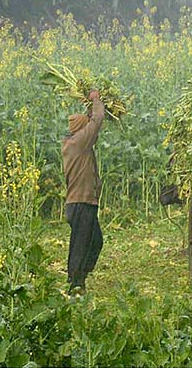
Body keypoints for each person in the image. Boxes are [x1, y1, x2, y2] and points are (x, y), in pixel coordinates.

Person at [62, 89, 104, 294]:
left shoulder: (76, 144)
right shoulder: (78, 143)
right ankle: (75, 283)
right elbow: (96, 122)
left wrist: (89, 107)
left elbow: (91, 123)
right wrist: (96, 99)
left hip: (82, 203)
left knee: (95, 241)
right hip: (81, 203)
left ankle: (80, 277)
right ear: (81, 131)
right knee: (80, 244)